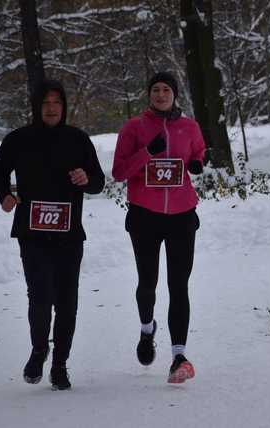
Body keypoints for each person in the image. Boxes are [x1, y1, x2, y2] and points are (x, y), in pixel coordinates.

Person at [0, 79, 105, 390]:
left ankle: (60, 365)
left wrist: (86, 178)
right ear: (37, 107)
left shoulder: (78, 139)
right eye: (46, 103)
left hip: (69, 234)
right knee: (40, 297)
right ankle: (40, 349)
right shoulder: (19, 139)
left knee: (67, 302)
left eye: (56, 102)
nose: (51, 108)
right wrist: (5, 196)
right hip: (32, 232)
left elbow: (98, 181)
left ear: (64, 106)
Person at [112, 71, 205, 384]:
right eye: (156, 89)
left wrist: (198, 163)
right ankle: (146, 329)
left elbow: (199, 152)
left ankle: (179, 355)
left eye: (166, 89)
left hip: (181, 215)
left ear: (174, 94)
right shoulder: (134, 127)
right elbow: (119, 172)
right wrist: (148, 152)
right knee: (148, 283)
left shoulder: (190, 126)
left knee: (179, 285)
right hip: (145, 216)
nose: (161, 94)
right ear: (149, 94)